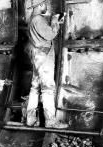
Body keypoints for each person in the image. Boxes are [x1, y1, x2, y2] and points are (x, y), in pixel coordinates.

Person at [26, 0, 68, 128]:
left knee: (35, 88)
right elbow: (50, 34)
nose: (46, 7)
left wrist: (54, 23)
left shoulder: (32, 19)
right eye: (44, 4)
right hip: (44, 58)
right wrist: (55, 20)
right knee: (48, 88)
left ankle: (30, 119)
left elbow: (43, 33)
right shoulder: (38, 19)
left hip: (37, 56)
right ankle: (50, 121)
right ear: (40, 5)